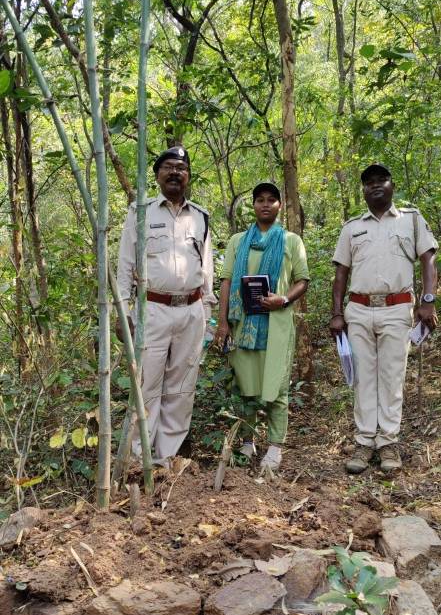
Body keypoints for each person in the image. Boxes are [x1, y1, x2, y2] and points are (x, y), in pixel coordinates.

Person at [330, 162, 438, 475]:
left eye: (381, 180)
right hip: (359, 310)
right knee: (363, 377)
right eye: (369, 182)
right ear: (363, 190)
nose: (375, 185)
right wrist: (337, 313)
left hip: (397, 308)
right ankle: (365, 441)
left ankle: (388, 441)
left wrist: (428, 301)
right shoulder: (352, 227)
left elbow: (428, 260)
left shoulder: (411, 220)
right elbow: (341, 273)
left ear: (392, 186)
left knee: (391, 377)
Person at [116, 146, 215, 465]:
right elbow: (125, 264)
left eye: (181, 168)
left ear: (188, 176)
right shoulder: (140, 213)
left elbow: (207, 268)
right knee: (146, 384)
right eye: (168, 167)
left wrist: (207, 311)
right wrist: (123, 312)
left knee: (181, 388)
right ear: (158, 175)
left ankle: (166, 457)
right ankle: (138, 459)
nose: (175, 173)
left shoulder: (200, 217)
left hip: (191, 311)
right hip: (152, 310)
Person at [215, 182, 309, 472]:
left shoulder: (291, 241)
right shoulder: (237, 241)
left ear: (279, 205)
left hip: (276, 325)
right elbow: (226, 281)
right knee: (245, 386)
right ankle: (247, 441)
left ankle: (275, 446)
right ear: (253, 205)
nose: (265, 204)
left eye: (271, 200)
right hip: (242, 324)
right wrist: (222, 323)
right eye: (260, 200)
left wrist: (283, 299)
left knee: (276, 386)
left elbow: (302, 280)